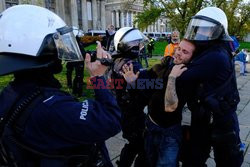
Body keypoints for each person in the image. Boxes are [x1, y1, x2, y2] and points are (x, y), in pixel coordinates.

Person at [0, 5, 121, 167]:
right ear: (33, 45)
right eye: (54, 42)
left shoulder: (10, 93)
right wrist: (98, 78)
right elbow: (111, 120)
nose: (59, 50)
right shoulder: (53, 107)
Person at [165, 7, 243, 167]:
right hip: (206, 116)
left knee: (227, 161)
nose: (200, 32)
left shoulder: (216, 55)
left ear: (217, 31)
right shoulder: (210, 50)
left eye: (206, 30)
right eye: (199, 28)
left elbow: (183, 76)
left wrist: (169, 67)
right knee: (194, 159)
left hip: (221, 120)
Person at [121, 39, 196, 167]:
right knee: (149, 160)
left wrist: (172, 78)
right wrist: (133, 81)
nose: (178, 53)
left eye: (185, 52)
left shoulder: (186, 77)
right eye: (178, 48)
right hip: (150, 126)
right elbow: (151, 86)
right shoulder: (164, 66)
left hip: (169, 133)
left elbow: (170, 106)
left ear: (192, 58)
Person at [106, 27, 149, 167]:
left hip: (122, 109)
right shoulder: (131, 65)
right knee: (143, 147)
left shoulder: (117, 60)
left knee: (134, 143)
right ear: (125, 44)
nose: (138, 45)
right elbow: (150, 87)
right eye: (135, 42)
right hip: (132, 111)